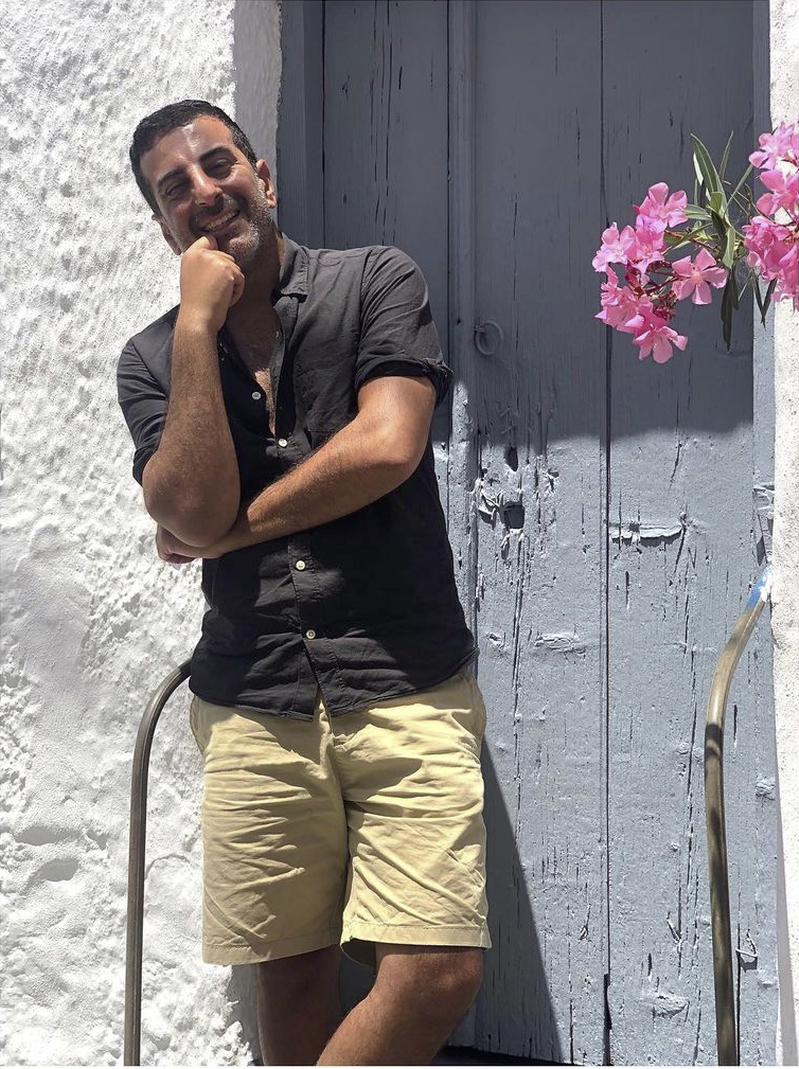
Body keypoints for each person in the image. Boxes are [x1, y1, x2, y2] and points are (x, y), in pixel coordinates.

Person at [117, 99, 491, 1065]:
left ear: (264, 176)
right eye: (174, 188)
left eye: (218, 164)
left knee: (438, 970)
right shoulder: (152, 359)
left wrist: (229, 530)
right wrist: (197, 324)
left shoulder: (373, 281)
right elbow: (185, 505)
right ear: (162, 225)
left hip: (404, 679)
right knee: (290, 979)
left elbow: (388, 445)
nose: (205, 192)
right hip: (252, 697)